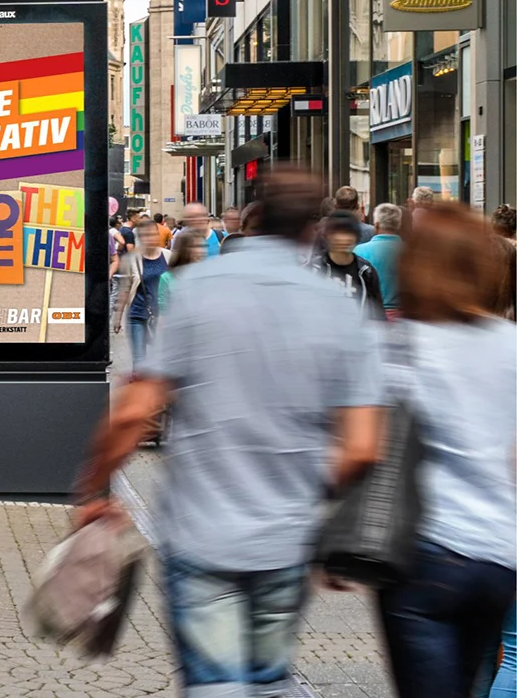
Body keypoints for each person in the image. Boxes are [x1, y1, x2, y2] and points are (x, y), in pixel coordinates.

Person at [75, 168, 382, 698]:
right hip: (286, 539)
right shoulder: (337, 307)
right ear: (314, 227)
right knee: (266, 680)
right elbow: (362, 446)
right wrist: (309, 492)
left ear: (253, 217)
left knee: (216, 684)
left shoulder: (200, 290)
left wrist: (95, 489)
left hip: (202, 531)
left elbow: (133, 412)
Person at [365, 203, 515, 697]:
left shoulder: (403, 345)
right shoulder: (510, 344)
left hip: (424, 552)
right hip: (497, 556)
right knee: (476, 674)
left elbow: (365, 444)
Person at [112, 218, 169, 365]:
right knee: (139, 361)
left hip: (162, 316)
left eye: (153, 234)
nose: (150, 238)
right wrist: (117, 317)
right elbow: (125, 288)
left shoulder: (169, 256)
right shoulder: (133, 259)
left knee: (161, 360)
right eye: (146, 235)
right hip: (137, 314)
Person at [309, 211, 386, 319]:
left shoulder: (365, 272)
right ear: (327, 236)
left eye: (348, 233)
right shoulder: (314, 269)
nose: (342, 238)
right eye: (336, 232)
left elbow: (378, 313)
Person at [354, 203, 404, 318]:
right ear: (398, 225)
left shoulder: (359, 251)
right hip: (402, 315)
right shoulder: (410, 253)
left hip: (371, 313)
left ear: (376, 225)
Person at [156, 229, 204, 316]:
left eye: (203, 246)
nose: (201, 251)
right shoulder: (167, 278)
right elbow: (163, 313)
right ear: (184, 250)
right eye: (196, 246)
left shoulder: (207, 275)